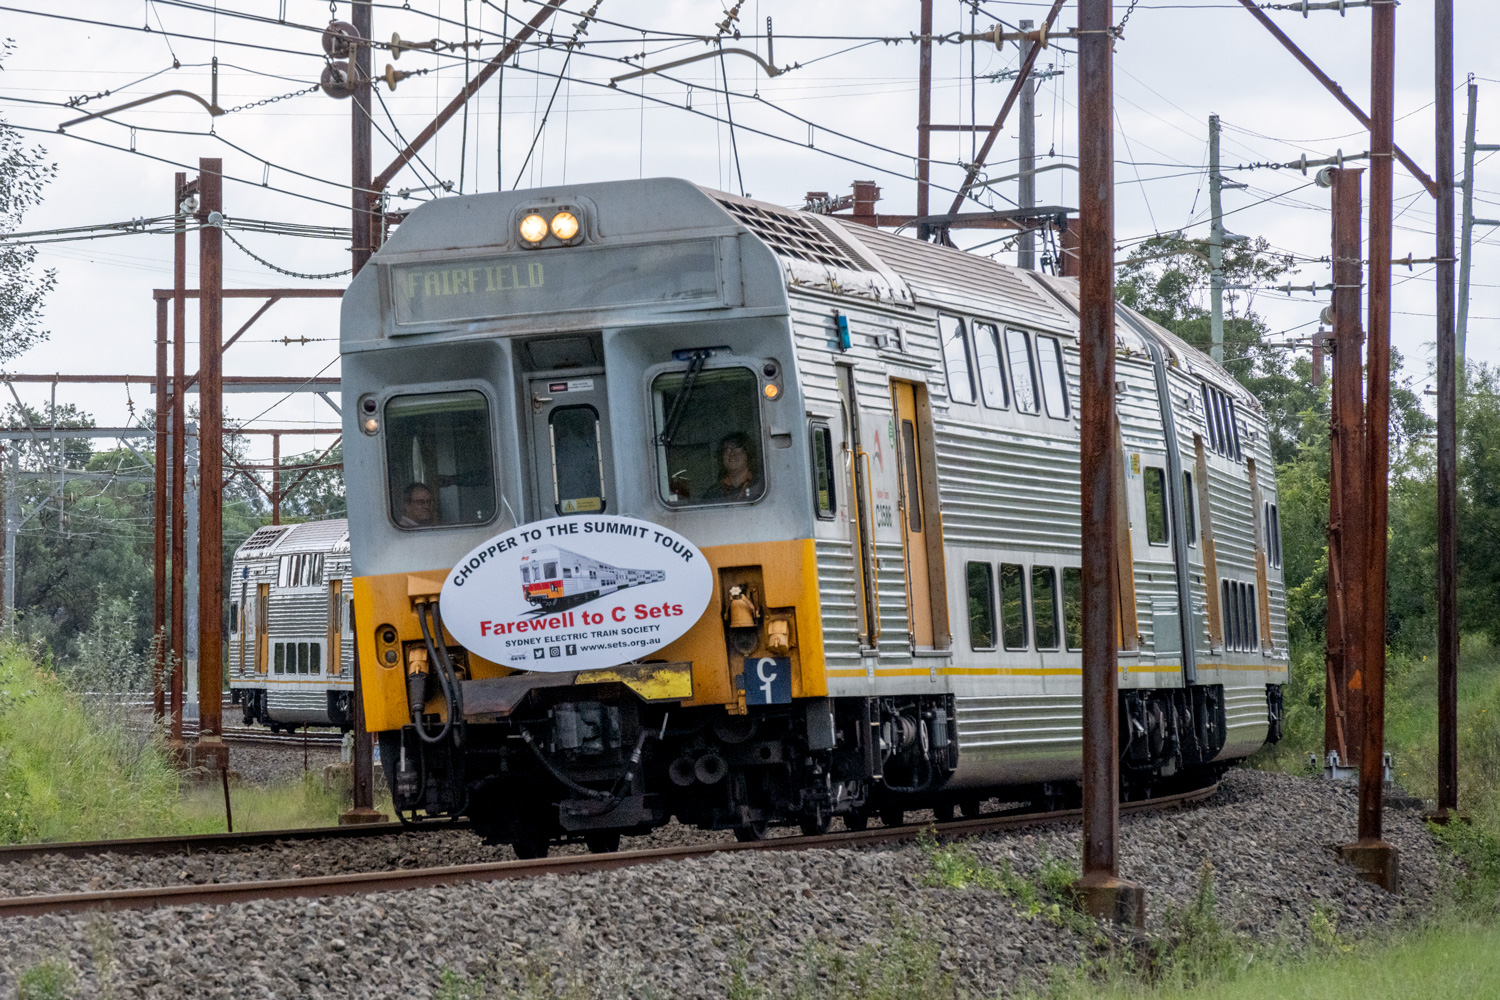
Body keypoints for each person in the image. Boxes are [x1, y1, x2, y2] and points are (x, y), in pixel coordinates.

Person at [703, 432, 763, 502]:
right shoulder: (712, 493)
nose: (732, 454)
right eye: (727, 450)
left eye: (737, 448)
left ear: (748, 453)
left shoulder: (761, 486)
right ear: (721, 457)